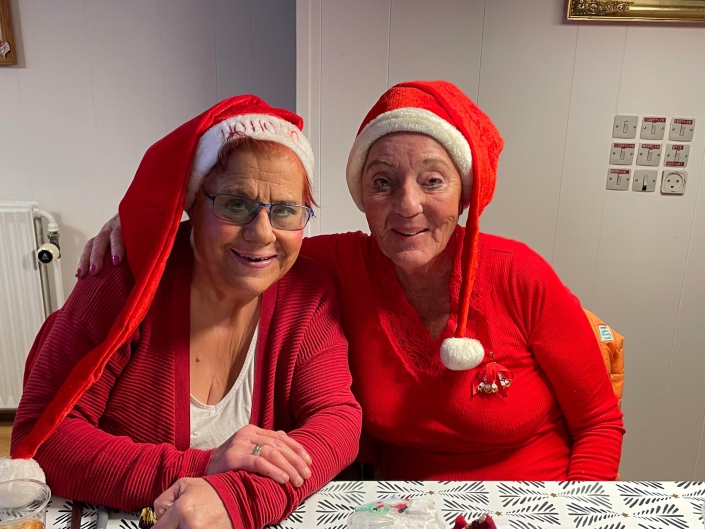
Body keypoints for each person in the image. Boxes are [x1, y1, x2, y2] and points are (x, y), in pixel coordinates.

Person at [78, 81, 625, 481]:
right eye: (382, 182)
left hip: (539, 499)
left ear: (465, 194)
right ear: (362, 195)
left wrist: (573, 514)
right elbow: (250, 242)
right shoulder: (334, 265)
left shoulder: (519, 274)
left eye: (433, 180)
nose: (406, 205)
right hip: (404, 508)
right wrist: (146, 225)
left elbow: (599, 423)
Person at [7, 95, 362, 529]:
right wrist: (205, 465)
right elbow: (44, 437)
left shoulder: (307, 291)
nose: (261, 233)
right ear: (192, 201)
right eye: (235, 204)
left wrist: (237, 499)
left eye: (286, 211)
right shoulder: (122, 278)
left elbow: (337, 420)